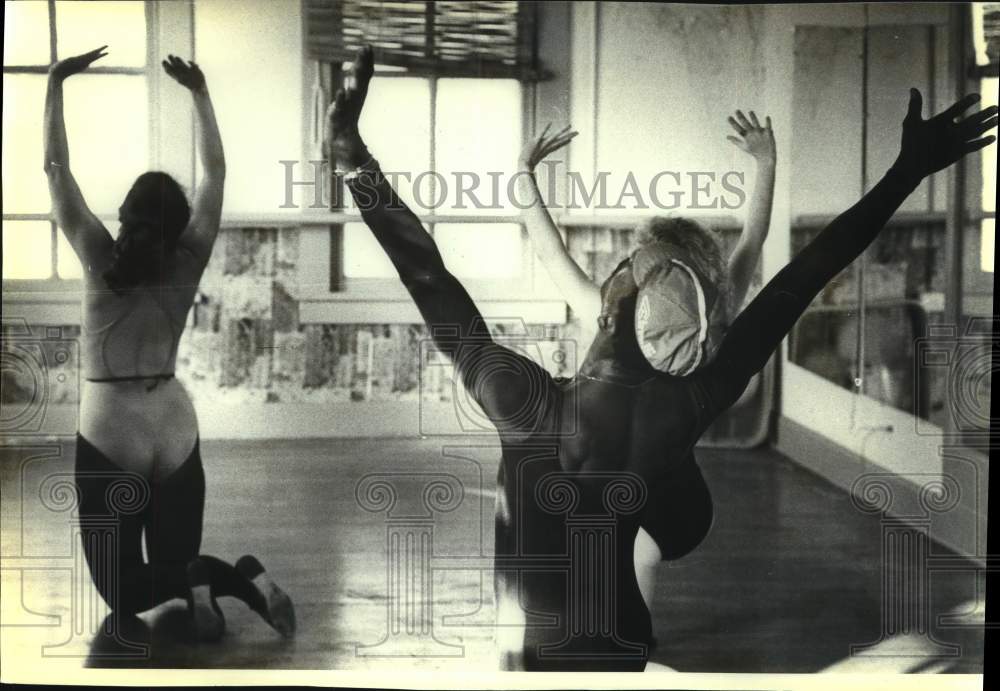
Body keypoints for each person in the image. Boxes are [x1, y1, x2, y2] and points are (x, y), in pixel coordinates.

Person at [326, 45, 997, 671]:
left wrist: (355, 159)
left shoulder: (524, 401)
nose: (617, 268)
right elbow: (808, 272)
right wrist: (907, 169)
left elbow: (429, 277)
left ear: (615, 306)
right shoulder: (689, 403)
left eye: (622, 268)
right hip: (625, 647)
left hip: (535, 654)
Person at [46, 47, 294, 641]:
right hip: (174, 421)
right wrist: (201, 93)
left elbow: (57, 170)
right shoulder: (189, 255)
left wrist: (55, 84)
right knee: (178, 566)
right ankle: (243, 578)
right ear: (177, 225)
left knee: (127, 592)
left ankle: (236, 580)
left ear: (126, 215)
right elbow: (215, 176)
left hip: (111, 424)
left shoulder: (98, 254)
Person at [517, 112, 777, 615]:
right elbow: (750, 242)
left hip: (657, 499)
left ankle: (623, 639)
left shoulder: (693, 314)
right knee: (608, 545)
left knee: (622, 544)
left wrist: (525, 173)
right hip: (646, 493)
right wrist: (766, 163)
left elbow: (751, 243)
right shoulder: (645, 312)